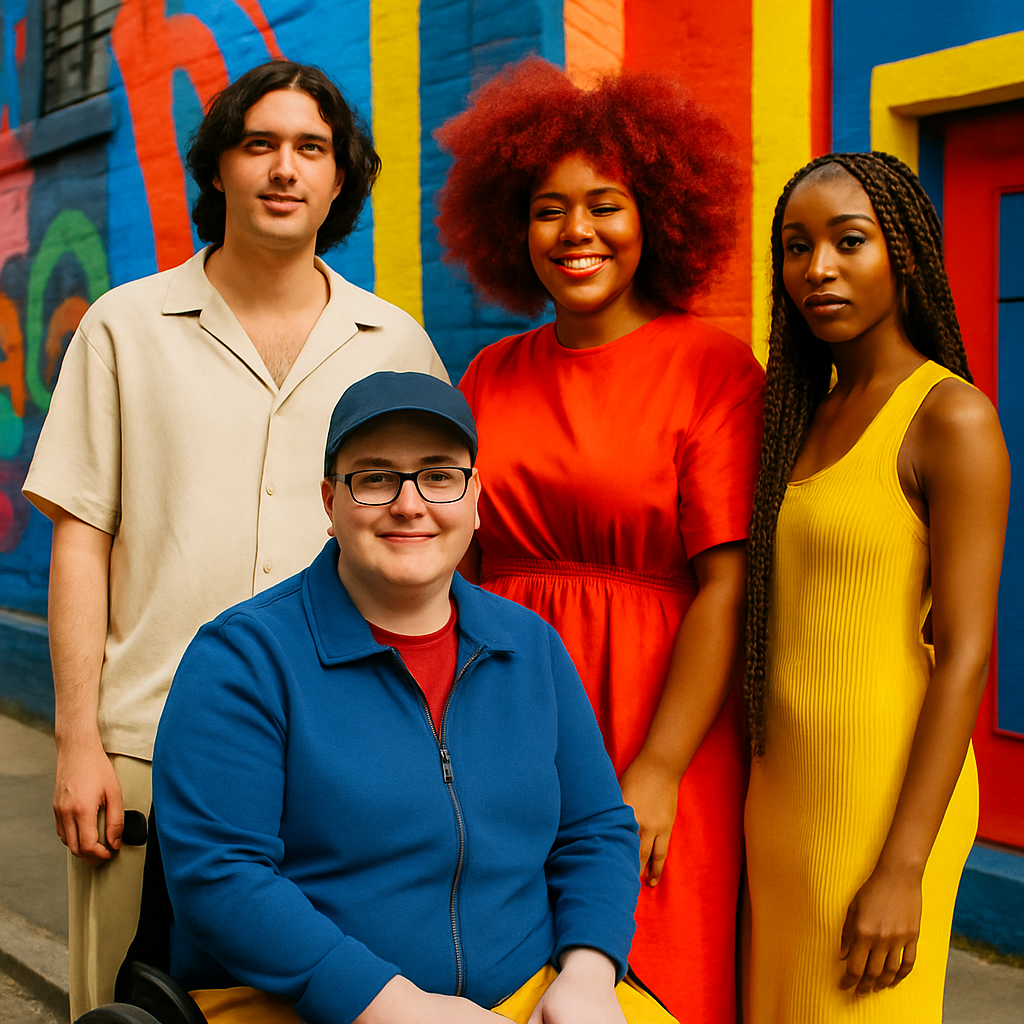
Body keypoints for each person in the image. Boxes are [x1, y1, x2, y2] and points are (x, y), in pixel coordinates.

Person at [21, 60, 446, 1017]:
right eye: (259, 144)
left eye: (311, 148)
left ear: (342, 179)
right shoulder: (123, 327)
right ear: (219, 169)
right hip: (146, 749)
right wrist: (78, 739)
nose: (284, 168)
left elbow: (422, 558)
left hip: (340, 754)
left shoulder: (396, 344)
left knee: (313, 1001)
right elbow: (81, 540)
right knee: (127, 1006)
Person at [153, 371, 677, 1024]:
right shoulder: (243, 660)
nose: (410, 503)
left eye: (438, 475)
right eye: (374, 477)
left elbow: (594, 830)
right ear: (329, 501)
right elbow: (221, 877)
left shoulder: (530, 646)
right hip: (298, 1000)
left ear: (476, 498)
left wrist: (590, 973)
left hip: (528, 989)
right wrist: (396, 1007)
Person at [435, 58, 764, 1021]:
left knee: (656, 972)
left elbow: (728, 587)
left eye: (605, 204)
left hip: (664, 717)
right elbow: (464, 569)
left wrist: (656, 771)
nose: (577, 231)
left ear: (656, 212)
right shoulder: (491, 374)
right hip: (514, 712)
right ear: (512, 227)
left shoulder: (711, 366)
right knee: (516, 969)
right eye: (548, 208)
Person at [742, 152, 1010, 1022]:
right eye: (796, 246)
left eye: (848, 241)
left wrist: (903, 866)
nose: (816, 268)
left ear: (905, 252)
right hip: (780, 790)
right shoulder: (798, 413)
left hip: (879, 794)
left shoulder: (950, 416)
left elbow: (966, 654)